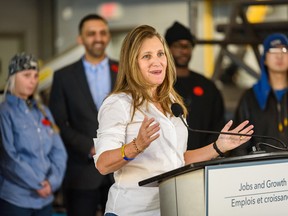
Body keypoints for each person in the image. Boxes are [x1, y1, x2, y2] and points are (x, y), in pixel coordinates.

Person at [93, 24, 254, 216]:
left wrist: (218, 146)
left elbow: (178, 159)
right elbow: (103, 164)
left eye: (160, 54)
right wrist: (137, 145)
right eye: (147, 56)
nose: (157, 62)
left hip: (172, 207)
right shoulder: (118, 103)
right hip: (132, 211)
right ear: (132, 62)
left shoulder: (172, 101)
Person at [49, 14, 118, 216]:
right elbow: (58, 123)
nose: (98, 38)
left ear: (108, 36)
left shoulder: (124, 71)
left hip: (119, 170)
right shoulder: (63, 76)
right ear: (80, 38)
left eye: (103, 33)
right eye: (91, 33)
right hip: (80, 171)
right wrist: (90, 147)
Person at [0, 53, 67, 216]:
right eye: (26, 75)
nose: (33, 80)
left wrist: (51, 183)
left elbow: (59, 151)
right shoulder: (4, 112)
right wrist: (38, 184)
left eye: (36, 75)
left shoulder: (43, 111)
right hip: (16, 200)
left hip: (45, 199)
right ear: (13, 77)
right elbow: (8, 157)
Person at [164, 21, 226, 150]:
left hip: (203, 159)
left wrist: (209, 152)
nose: (184, 51)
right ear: (167, 49)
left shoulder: (207, 87)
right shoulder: (159, 85)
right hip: (168, 161)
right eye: (177, 46)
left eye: (187, 46)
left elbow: (218, 124)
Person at [231, 33, 288, 156]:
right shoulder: (250, 97)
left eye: (284, 50)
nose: (279, 55)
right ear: (265, 59)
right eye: (273, 50)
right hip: (261, 171)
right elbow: (239, 145)